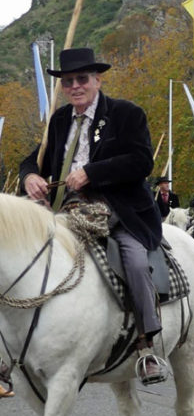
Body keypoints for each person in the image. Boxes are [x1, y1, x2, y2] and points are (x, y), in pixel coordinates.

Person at [19, 48, 167, 385]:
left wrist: (92, 173)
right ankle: (13, 346)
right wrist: (30, 176)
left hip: (120, 208)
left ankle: (146, 345)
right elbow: (33, 159)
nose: (75, 86)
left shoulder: (126, 114)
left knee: (134, 261)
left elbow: (142, 161)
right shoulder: (57, 121)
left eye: (82, 79)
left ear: (97, 80)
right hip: (63, 209)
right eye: (68, 81)